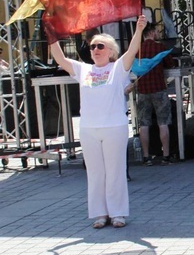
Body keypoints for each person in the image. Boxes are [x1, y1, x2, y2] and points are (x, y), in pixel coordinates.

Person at [49, 15, 147, 229]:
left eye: (100, 46)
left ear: (111, 51)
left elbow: (131, 51)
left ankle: (118, 213)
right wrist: (52, 36)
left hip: (114, 127)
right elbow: (60, 59)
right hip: (88, 129)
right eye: (92, 46)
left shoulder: (118, 68)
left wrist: (139, 29)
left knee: (115, 171)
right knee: (95, 173)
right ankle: (100, 214)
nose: (95, 49)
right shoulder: (83, 69)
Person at [133, 22, 175, 166]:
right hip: (158, 89)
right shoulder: (159, 47)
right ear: (151, 32)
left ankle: (146, 157)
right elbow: (170, 64)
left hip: (143, 90)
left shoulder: (136, 49)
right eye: (156, 31)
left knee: (144, 124)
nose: (158, 33)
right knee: (163, 123)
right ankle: (166, 156)